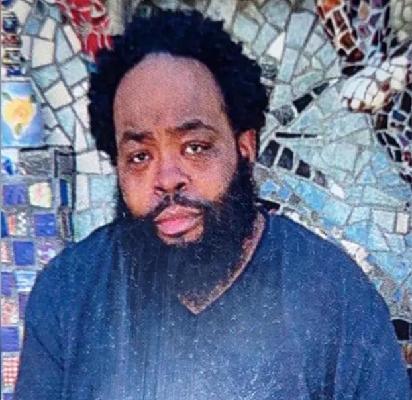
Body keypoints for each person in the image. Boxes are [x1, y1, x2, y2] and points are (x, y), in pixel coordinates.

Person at [15, 8, 410, 400]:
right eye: (140, 156)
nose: (167, 178)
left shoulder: (336, 296)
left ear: (244, 148)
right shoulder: (68, 294)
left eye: (195, 147)